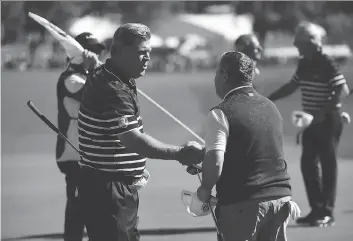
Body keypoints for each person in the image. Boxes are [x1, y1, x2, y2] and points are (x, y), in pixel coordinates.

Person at [77, 23, 204, 241]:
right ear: (118, 52)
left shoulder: (112, 76)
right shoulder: (113, 88)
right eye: (140, 53)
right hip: (109, 190)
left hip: (112, 187)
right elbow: (134, 141)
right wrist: (180, 153)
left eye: (148, 53)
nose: (147, 58)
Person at [194, 51, 299, 241]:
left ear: (225, 75)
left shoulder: (221, 112)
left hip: (243, 202)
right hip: (281, 198)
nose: (215, 79)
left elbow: (216, 160)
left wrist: (205, 189)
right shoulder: (270, 106)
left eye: (216, 73)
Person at [267, 22, 350, 227]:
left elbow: (342, 90)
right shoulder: (305, 63)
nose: (296, 46)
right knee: (308, 164)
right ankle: (316, 209)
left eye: (299, 42)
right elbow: (292, 86)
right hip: (312, 120)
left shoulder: (326, 61)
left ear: (311, 42)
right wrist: (268, 99)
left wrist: (323, 112)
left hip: (329, 120)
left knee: (327, 164)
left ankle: (327, 212)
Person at [56, 32, 105, 241]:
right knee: (78, 213)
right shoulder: (71, 79)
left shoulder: (87, 76)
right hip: (75, 155)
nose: (98, 54)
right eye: (93, 51)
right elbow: (96, 97)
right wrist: (96, 69)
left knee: (96, 213)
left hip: (91, 156)